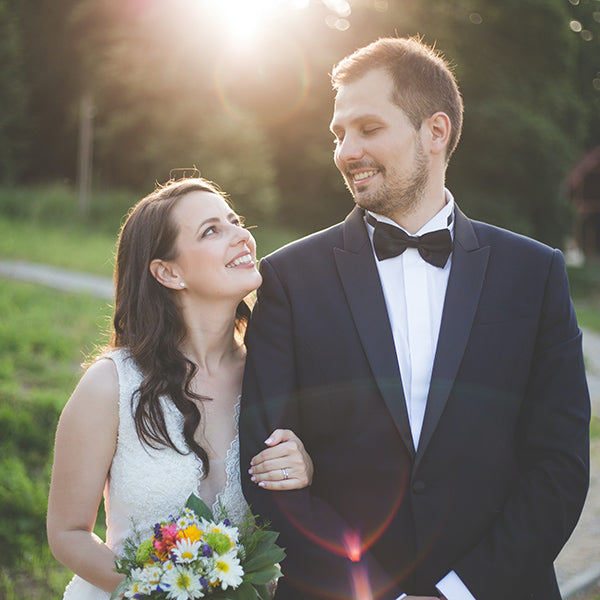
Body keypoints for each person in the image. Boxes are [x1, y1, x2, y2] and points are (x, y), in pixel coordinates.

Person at [239, 37, 590, 600]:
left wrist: (460, 592)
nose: (346, 151)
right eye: (339, 134)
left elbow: (560, 464)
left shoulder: (535, 273)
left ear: (436, 131)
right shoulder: (287, 279)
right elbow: (267, 467)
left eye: (369, 128)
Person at [47, 178, 314, 600]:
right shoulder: (110, 386)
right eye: (212, 230)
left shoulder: (276, 376)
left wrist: (306, 469)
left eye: (235, 221)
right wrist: (157, 590)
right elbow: (67, 532)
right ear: (167, 272)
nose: (242, 236)